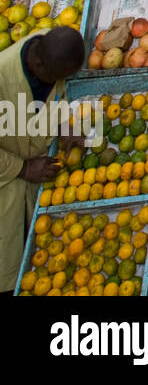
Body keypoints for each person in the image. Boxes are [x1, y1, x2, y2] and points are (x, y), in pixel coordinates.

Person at [1, 27, 87, 292]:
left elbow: (54, 96)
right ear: (38, 64)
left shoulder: (48, 45)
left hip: (39, 167)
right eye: (56, 77)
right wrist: (23, 168)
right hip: (7, 178)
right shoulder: (3, 76)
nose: (59, 82)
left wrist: (64, 125)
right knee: (8, 267)